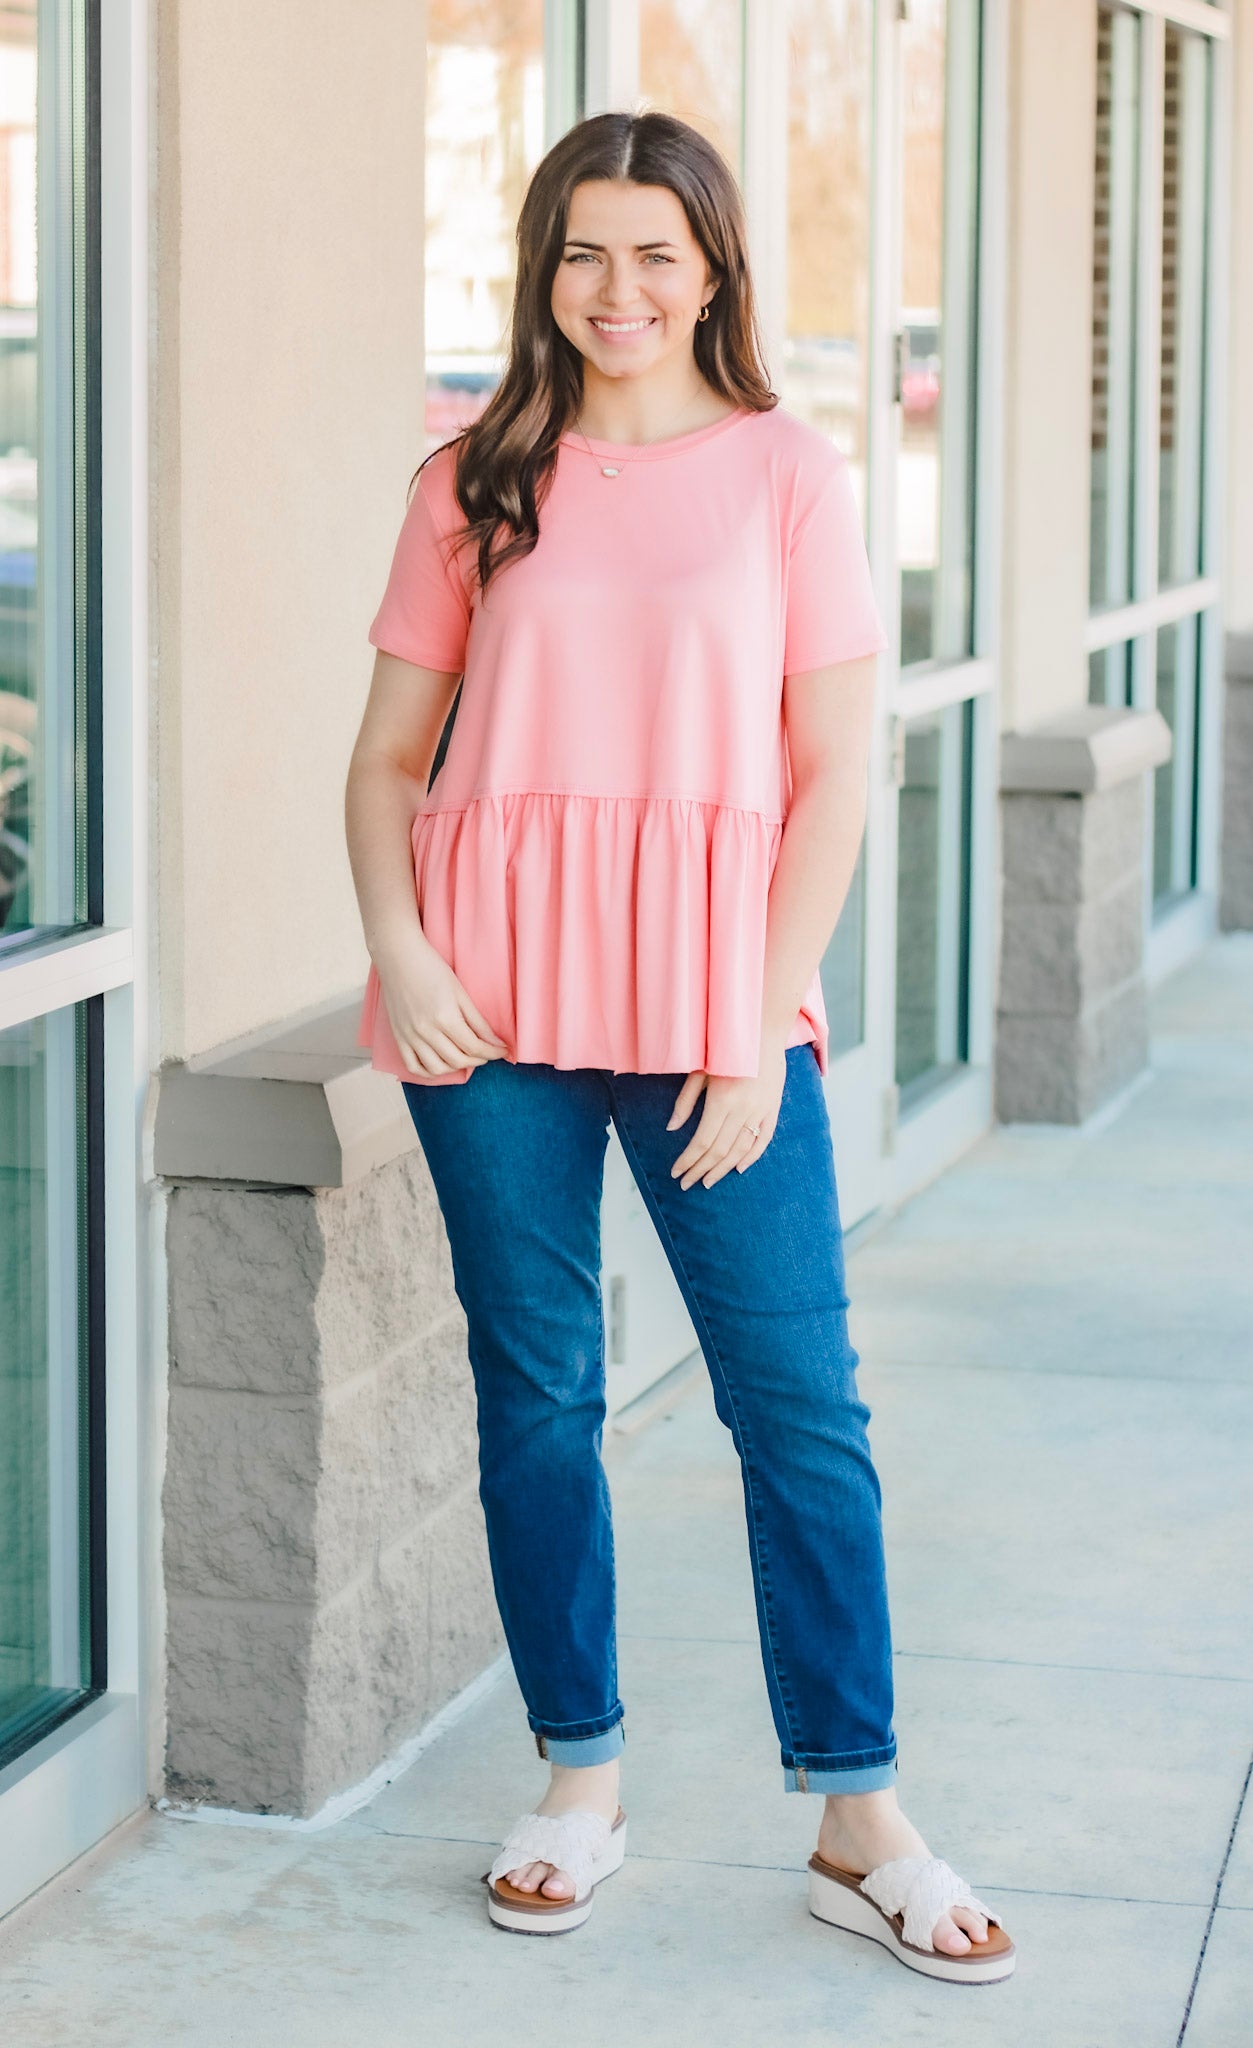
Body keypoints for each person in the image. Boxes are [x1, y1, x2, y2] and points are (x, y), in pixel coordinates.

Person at [343, 109, 1015, 1985]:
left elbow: (829, 775)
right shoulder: (474, 477)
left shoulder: (788, 472)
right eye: (581, 250)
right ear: (541, 269)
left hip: (716, 1005)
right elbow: (385, 761)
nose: (615, 286)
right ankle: (579, 1780)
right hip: (488, 1007)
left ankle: (857, 1814)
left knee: (797, 1403)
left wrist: (749, 1021)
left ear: (712, 270)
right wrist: (402, 952)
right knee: (537, 1394)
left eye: (654, 251)